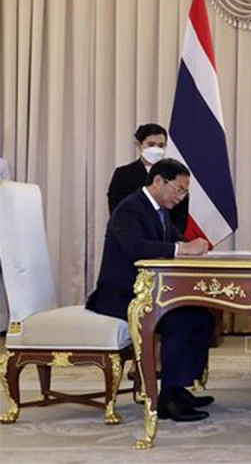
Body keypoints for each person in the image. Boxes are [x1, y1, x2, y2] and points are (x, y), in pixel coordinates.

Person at [86, 159, 214, 422]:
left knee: (202, 316)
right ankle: (166, 400)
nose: (182, 197)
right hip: (120, 296)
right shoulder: (130, 208)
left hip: (147, 293)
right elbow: (136, 248)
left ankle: (177, 388)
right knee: (181, 321)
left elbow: (177, 241)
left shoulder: (160, 211)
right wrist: (182, 249)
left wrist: (192, 245)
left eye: (185, 192)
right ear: (158, 181)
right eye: (179, 189)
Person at [107, 123, 189, 234]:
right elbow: (117, 211)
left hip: (167, 238)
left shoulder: (177, 175)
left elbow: (180, 215)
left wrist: (171, 238)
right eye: (151, 144)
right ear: (139, 145)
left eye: (161, 145)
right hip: (132, 237)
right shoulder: (123, 174)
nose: (156, 149)